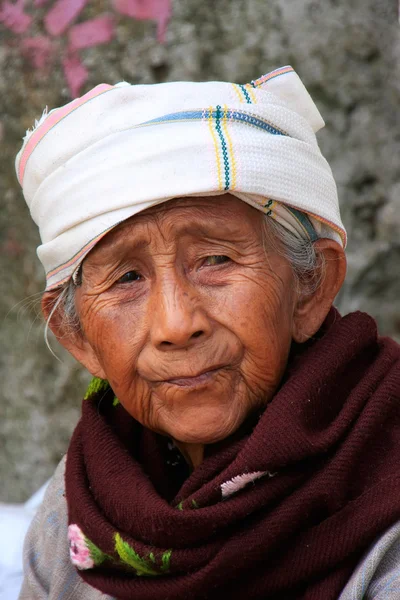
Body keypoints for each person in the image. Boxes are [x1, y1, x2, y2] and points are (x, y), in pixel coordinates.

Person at [15, 66, 400, 600]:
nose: (177, 324)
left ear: (310, 287)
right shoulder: (81, 502)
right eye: (127, 279)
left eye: (215, 259)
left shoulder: (386, 486)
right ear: (79, 337)